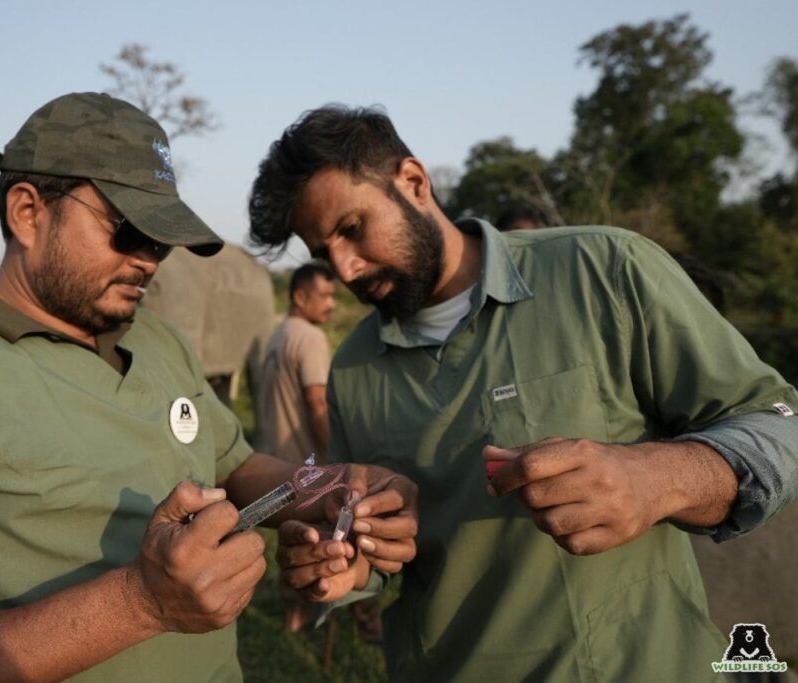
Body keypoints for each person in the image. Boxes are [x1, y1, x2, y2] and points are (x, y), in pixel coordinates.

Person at [0, 93, 417, 682]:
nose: (147, 259)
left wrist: (338, 490)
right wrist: (140, 603)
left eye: (162, 241)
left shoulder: (158, 342)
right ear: (27, 212)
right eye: (129, 232)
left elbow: (238, 464)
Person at [247, 104, 798, 682]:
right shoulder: (355, 366)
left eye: (352, 229)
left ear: (413, 181)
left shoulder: (604, 271)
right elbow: (371, 533)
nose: (345, 268)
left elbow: (778, 420)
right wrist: (347, 565)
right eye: (322, 252)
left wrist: (657, 479)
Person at [259, 261, 336, 465]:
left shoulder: (277, 335)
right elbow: (317, 402)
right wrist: (340, 456)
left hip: (273, 465)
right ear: (300, 298)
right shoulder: (311, 337)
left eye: (332, 296)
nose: (331, 305)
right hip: (305, 468)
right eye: (324, 296)